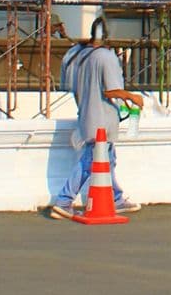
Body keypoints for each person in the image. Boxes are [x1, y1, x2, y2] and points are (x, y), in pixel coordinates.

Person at [49, 17, 143, 219]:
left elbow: (70, 86)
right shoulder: (105, 57)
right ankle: (64, 200)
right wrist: (131, 97)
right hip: (102, 119)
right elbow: (111, 91)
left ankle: (115, 198)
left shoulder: (76, 54)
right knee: (92, 160)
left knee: (108, 159)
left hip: (85, 114)